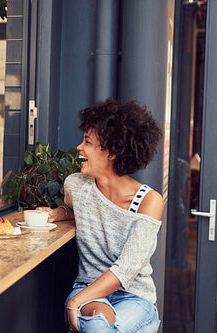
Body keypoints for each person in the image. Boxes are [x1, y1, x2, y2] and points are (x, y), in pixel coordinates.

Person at [36, 99, 163, 332]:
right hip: (89, 290)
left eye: (87, 142)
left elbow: (126, 269)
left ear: (113, 151)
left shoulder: (149, 201)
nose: (78, 148)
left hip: (134, 296)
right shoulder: (76, 185)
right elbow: (76, 210)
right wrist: (54, 214)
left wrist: (73, 303)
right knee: (97, 323)